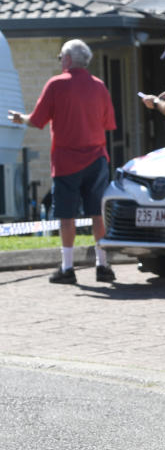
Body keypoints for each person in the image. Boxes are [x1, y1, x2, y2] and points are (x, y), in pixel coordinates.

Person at [8, 39, 117, 284]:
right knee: (97, 214)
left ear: (67, 59)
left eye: (60, 57)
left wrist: (20, 118)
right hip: (97, 158)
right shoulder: (99, 86)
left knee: (66, 215)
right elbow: (109, 124)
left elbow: (37, 120)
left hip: (66, 160)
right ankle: (103, 265)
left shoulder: (56, 85)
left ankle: (67, 268)